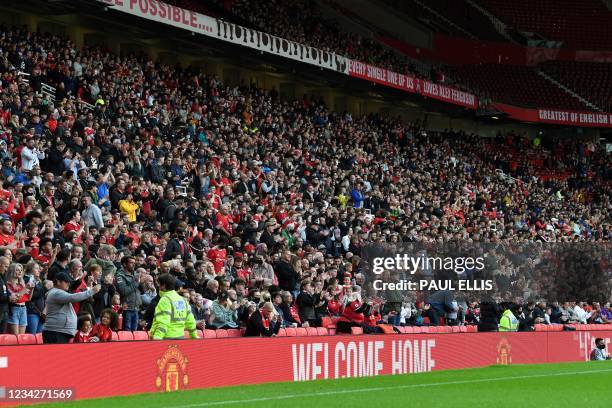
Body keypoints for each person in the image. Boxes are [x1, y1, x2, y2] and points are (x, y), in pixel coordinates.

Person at [42, 272, 101, 344]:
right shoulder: (56, 293)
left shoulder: (59, 293)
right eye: (66, 282)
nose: (68, 284)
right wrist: (91, 291)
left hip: (58, 332)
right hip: (55, 332)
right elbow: (73, 297)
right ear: (58, 282)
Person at [150, 273, 198, 340]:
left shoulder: (165, 300)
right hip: (180, 337)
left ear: (163, 285)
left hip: (165, 338)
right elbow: (190, 320)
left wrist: (157, 337)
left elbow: (163, 321)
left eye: (158, 284)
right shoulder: (182, 299)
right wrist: (194, 336)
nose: (157, 286)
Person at [115, 255, 142, 331]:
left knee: (134, 334)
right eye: (131, 263)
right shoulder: (120, 275)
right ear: (124, 264)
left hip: (136, 308)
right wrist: (136, 283)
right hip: (127, 309)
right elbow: (123, 291)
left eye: (134, 263)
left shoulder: (134, 275)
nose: (134, 264)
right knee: (127, 333)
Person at [0, 256, 10, 333]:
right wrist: (9, 298)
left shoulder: (3, 277)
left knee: (2, 337)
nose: (6, 269)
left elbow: (5, 292)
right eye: (5, 266)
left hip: (5, 310)